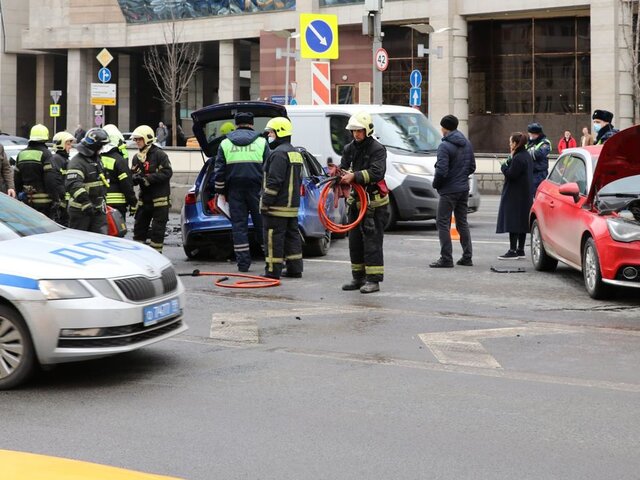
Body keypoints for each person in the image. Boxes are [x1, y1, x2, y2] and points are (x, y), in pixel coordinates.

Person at [212, 112, 269, 272]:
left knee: (239, 227)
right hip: (257, 190)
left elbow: (219, 171)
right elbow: (269, 169)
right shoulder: (262, 142)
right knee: (262, 225)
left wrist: (220, 192)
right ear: (252, 124)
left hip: (235, 191)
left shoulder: (225, 144)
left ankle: (243, 264)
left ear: (236, 124)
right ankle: (271, 261)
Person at [339, 111, 389, 293]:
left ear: (367, 130)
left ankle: (373, 280)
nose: (356, 134)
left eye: (359, 131)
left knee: (372, 242)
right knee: (355, 242)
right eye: (353, 131)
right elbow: (344, 168)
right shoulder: (349, 149)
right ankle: (357, 278)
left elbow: (377, 173)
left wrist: (355, 176)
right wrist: (338, 174)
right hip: (356, 203)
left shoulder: (377, 149)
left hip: (373, 204)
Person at [429, 115, 476, 269]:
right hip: (463, 188)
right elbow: (472, 167)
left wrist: (436, 184)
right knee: (462, 222)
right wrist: (461, 177)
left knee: (442, 223)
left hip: (449, 190)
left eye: (442, 127)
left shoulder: (444, 146)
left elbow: (441, 171)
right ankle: (467, 257)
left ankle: (446, 258)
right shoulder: (467, 143)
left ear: (445, 128)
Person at [260, 117, 303, 280]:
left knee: (273, 239)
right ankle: (295, 269)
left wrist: (265, 202)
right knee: (292, 238)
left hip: (277, 207)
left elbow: (274, 182)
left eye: (270, 132)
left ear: (279, 133)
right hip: (291, 206)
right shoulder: (295, 153)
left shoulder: (278, 154)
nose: (269, 136)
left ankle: (272, 270)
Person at [131, 125, 173, 253]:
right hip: (145, 200)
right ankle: (139, 255)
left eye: (139, 139)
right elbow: (131, 174)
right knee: (139, 228)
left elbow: (167, 172)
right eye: (136, 139)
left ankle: (156, 255)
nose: (137, 142)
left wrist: (148, 179)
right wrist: (134, 178)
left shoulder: (160, 155)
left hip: (160, 200)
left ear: (147, 139)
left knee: (157, 231)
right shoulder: (136, 157)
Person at [496, 132, 534, 260]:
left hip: (515, 194)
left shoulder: (518, 158)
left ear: (515, 144)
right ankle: (520, 249)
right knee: (522, 221)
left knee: (513, 221)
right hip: (525, 193)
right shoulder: (526, 155)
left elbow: (512, 174)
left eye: (510, 142)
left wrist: (504, 166)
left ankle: (512, 250)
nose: (509, 144)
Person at [65, 128, 110, 233]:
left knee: (100, 241)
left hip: (97, 211)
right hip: (80, 212)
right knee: (80, 241)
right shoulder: (77, 162)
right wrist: (86, 203)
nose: (102, 149)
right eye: (101, 146)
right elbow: (73, 185)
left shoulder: (96, 159)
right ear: (95, 146)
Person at [14, 124, 56, 216]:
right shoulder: (46, 154)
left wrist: (19, 195)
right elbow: (50, 179)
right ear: (45, 138)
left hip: (26, 201)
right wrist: (55, 199)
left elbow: (16, 179)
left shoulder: (21, 154)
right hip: (44, 203)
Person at [102, 124, 138, 220]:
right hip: (117, 206)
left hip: (99, 205)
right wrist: (133, 203)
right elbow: (126, 184)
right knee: (116, 232)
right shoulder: (119, 160)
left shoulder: (95, 159)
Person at [49, 131, 75, 226]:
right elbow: (57, 180)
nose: (70, 146)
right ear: (61, 145)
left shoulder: (64, 159)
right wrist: (63, 196)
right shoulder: (57, 159)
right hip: (62, 202)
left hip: (67, 201)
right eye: (68, 144)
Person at [526, 122, 552, 194]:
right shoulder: (531, 142)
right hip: (531, 172)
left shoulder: (545, 143)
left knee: (538, 196)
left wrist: (528, 153)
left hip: (540, 174)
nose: (529, 135)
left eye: (530, 134)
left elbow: (538, 154)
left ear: (535, 134)